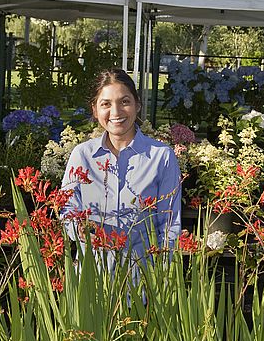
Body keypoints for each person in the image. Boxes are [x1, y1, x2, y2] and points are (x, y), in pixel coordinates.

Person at [60, 68, 182, 270]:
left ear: (138, 105)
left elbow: (170, 226)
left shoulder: (161, 157)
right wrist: (78, 228)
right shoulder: (82, 156)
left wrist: (160, 279)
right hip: (91, 278)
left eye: (124, 102)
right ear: (95, 109)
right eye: (105, 104)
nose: (115, 112)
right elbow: (67, 209)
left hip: (142, 280)